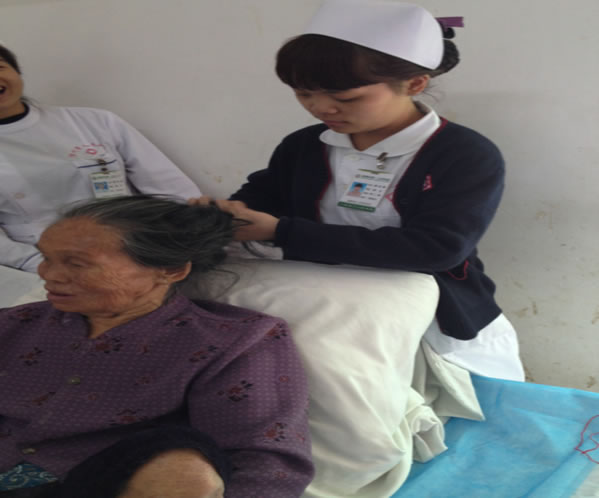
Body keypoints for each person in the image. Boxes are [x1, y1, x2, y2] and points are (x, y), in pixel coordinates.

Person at [193, 0, 524, 381]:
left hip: (426, 310)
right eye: (303, 93)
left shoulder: (464, 154)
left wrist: (281, 232)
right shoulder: (304, 146)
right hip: (321, 300)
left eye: (345, 97)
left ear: (415, 84)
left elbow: (437, 249)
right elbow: (262, 197)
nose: (321, 108)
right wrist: (225, 215)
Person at [0, 196, 314, 497]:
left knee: (183, 467)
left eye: (77, 264)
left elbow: (264, 460)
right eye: (46, 258)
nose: (49, 275)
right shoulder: (14, 323)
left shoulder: (233, 342)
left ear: (172, 270)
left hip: (97, 483)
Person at [0, 45, 202, 273]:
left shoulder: (94, 121)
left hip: (137, 243)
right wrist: (40, 264)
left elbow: (167, 184)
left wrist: (194, 229)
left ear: (17, 72)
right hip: (44, 259)